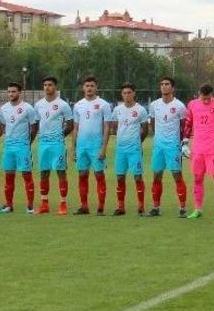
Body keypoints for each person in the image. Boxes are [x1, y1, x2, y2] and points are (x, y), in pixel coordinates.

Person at [183, 84, 214, 220]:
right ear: (199, 94)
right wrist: (185, 142)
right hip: (197, 149)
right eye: (203, 98)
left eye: (208, 98)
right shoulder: (192, 104)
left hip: (213, 149)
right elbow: (188, 123)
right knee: (197, 178)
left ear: (212, 94)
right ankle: (198, 209)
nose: (205, 101)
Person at [71, 76, 112, 215]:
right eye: (87, 85)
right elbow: (75, 128)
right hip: (82, 146)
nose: (89, 88)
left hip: (96, 146)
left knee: (99, 175)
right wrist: (74, 148)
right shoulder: (78, 105)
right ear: (83, 88)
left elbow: (107, 127)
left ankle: (100, 208)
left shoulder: (104, 104)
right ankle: (84, 206)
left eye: (92, 85)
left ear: (96, 87)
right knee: (82, 175)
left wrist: (104, 147)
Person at [148, 77, 189, 217]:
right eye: (162, 84)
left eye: (167, 84)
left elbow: (184, 127)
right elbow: (153, 123)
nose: (164, 86)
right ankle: (156, 207)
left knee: (177, 176)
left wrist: (181, 142)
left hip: (173, 146)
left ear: (172, 88)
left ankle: (183, 208)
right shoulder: (154, 105)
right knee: (156, 176)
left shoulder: (180, 106)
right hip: (158, 146)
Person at [34, 77, 74, 215]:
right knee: (44, 173)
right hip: (43, 144)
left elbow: (70, 125)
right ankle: (44, 203)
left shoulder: (63, 105)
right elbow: (36, 123)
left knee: (61, 172)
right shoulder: (38, 104)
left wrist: (60, 136)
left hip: (57, 144)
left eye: (50, 85)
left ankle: (63, 204)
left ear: (55, 87)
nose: (47, 87)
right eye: (45, 85)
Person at [0, 82, 38, 213]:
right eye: (9, 92)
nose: (11, 94)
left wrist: (27, 142)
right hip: (8, 147)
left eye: (13, 92)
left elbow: (34, 128)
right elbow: (3, 126)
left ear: (19, 92)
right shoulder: (3, 108)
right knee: (9, 176)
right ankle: (9, 205)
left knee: (26, 175)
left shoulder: (28, 108)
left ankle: (30, 206)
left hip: (23, 147)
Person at [110, 83, 149, 216]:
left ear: (134, 93)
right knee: (120, 177)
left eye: (129, 92)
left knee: (137, 177)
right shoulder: (117, 110)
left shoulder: (141, 110)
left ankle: (141, 207)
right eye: (124, 93)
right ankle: (121, 207)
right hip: (120, 150)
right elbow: (114, 128)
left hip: (134, 149)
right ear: (122, 94)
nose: (127, 95)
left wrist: (137, 143)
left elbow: (145, 130)